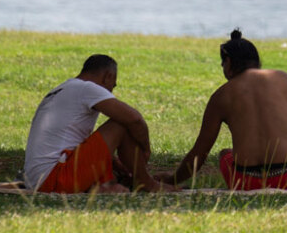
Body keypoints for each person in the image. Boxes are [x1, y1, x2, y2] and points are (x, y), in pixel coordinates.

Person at [165, 30, 287, 191]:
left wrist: (170, 179)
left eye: (222, 65)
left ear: (228, 62)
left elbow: (199, 153)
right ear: (256, 61)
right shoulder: (283, 80)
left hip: (244, 182)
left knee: (225, 154)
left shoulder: (220, 96)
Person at [23, 54, 176, 193]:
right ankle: (147, 183)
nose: (111, 92)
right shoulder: (87, 88)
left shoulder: (63, 88)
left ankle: (108, 185)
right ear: (107, 77)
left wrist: (115, 162)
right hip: (54, 180)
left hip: (39, 180)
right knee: (120, 124)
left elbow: (73, 143)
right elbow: (135, 119)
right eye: (113, 85)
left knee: (114, 167)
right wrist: (146, 149)